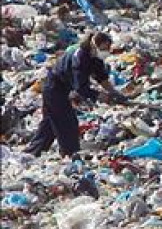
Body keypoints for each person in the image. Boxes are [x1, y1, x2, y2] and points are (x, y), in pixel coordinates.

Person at [25, 31, 126, 159]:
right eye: (104, 48)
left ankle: (32, 153)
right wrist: (101, 97)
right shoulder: (80, 57)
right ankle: (70, 154)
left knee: (50, 124)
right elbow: (81, 88)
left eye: (107, 48)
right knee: (67, 123)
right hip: (54, 88)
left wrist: (114, 93)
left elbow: (102, 78)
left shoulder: (95, 58)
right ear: (95, 45)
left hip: (61, 89)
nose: (106, 51)